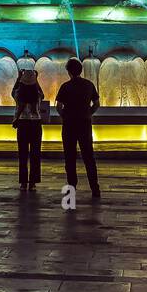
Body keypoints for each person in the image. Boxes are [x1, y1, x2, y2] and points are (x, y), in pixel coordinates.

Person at [54, 58, 101, 198]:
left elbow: (58, 107)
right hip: (85, 123)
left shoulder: (65, 86)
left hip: (69, 124)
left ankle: (72, 188)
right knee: (88, 156)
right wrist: (88, 113)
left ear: (68, 71)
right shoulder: (89, 85)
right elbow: (97, 104)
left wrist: (65, 116)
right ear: (81, 70)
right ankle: (95, 188)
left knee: (70, 157)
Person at [11, 69, 44, 190]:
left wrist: (19, 77)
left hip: (22, 124)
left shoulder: (19, 95)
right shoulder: (38, 96)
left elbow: (12, 91)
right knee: (35, 154)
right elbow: (41, 92)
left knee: (23, 154)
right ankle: (33, 183)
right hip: (36, 124)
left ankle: (23, 183)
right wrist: (36, 78)